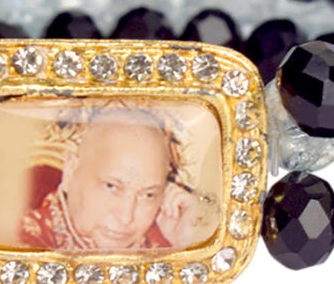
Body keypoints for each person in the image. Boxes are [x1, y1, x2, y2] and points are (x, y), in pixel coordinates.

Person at [19, 104, 217, 251]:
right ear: (71, 170)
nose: (125, 217)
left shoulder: (164, 243)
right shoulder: (20, 242)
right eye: (111, 186)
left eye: (147, 195)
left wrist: (184, 246)